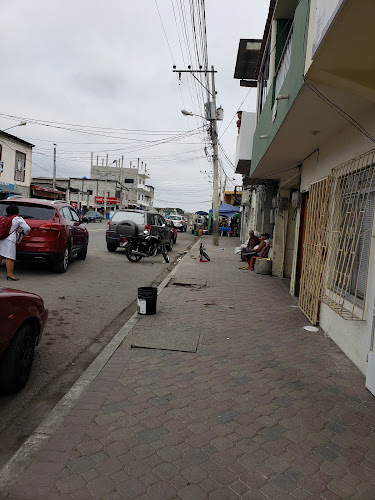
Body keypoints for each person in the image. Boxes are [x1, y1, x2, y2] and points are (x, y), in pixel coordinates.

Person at [0, 205, 30, 281]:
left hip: (1, 238)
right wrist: (24, 233)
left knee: (0, 255)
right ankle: (10, 274)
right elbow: (27, 228)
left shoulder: (2, 218)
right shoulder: (18, 219)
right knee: (10, 257)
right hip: (10, 240)